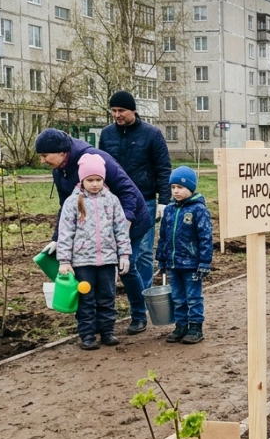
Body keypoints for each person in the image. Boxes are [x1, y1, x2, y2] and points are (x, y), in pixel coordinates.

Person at [36, 128, 154, 333]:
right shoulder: (60, 170)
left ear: (62, 151)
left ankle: (139, 313)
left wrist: (124, 227)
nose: (43, 160)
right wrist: (57, 239)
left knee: (127, 267)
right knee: (90, 271)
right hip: (94, 228)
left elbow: (127, 191)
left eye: (45, 155)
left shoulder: (97, 160)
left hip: (128, 219)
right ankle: (97, 322)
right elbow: (66, 207)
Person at [98, 90, 171, 334]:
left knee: (140, 254)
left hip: (146, 201)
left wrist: (164, 200)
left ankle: (142, 305)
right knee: (120, 253)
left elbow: (163, 168)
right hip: (115, 203)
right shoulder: (107, 134)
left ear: (134, 111)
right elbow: (101, 166)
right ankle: (138, 302)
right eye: (114, 111)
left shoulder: (151, 134)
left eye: (122, 111)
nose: (117, 115)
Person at [55, 154, 132, 350]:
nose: (95, 184)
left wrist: (124, 255)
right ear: (82, 180)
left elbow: (120, 229)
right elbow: (65, 232)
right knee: (86, 300)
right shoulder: (73, 202)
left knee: (107, 297)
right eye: (90, 180)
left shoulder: (112, 200)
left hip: (107, 260)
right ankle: (87, 335)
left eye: (99, 180)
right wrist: (64, 260)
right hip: (82, 263)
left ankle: (107, 331)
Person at [156, 166, 213, 343]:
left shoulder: (198, 210)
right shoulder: (170, 210)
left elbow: (205, 237)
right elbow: (163, 236)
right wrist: (162, 258)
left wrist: (204, 261)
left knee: (193, 297)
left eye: (180, 187)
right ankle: (181, 325)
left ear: (190, 188)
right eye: (173, 188)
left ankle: (196, 327)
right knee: (178, 297)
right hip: (174, 263)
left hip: (192, 264)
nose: (176, 191)